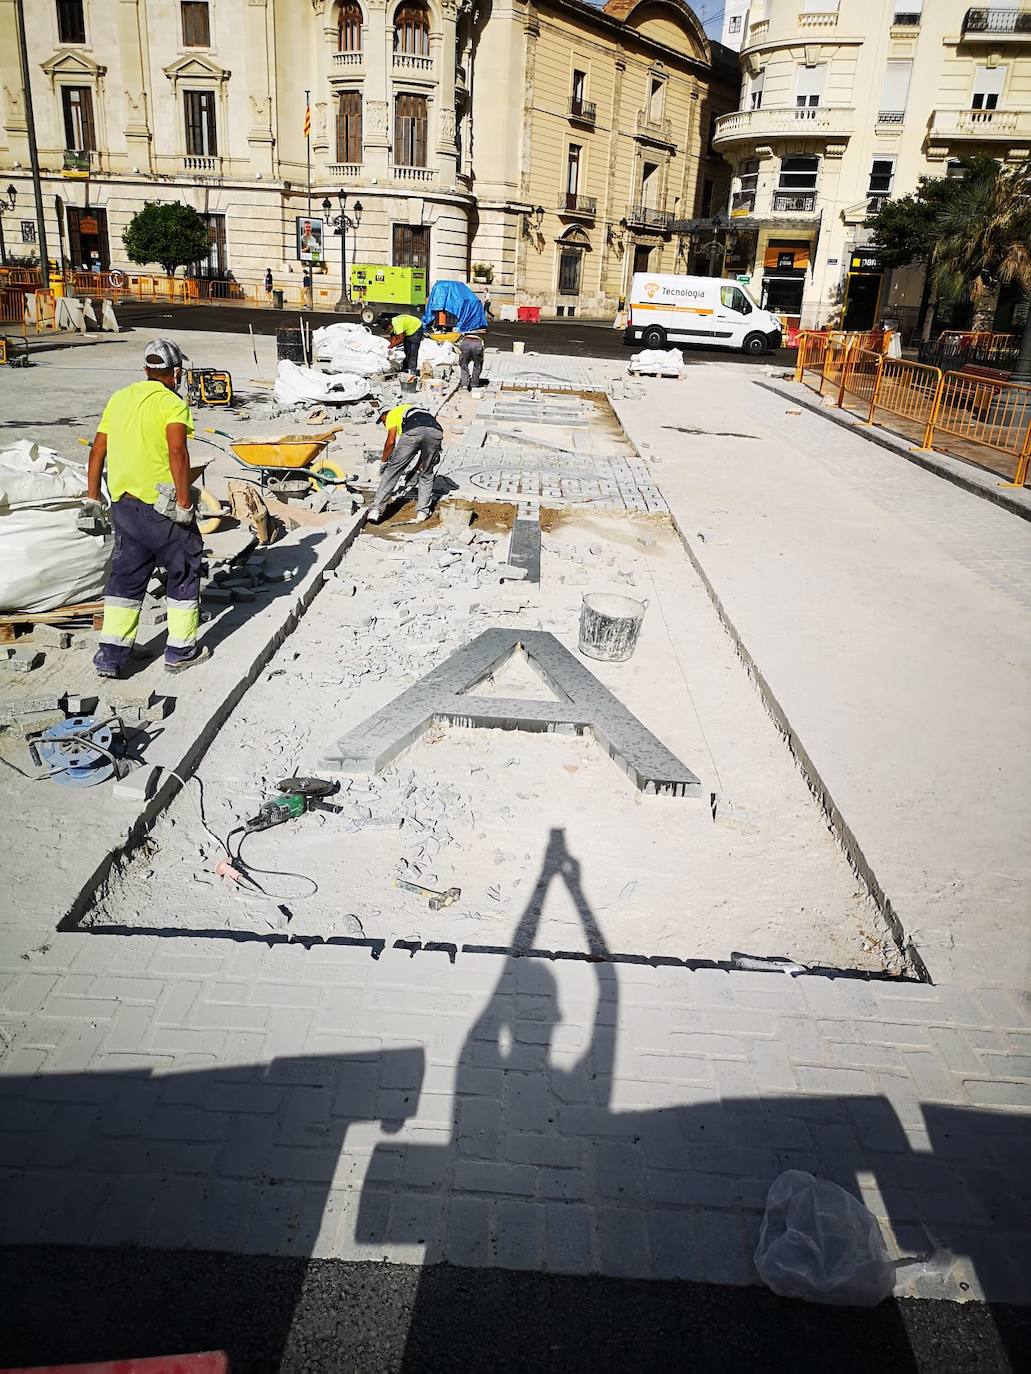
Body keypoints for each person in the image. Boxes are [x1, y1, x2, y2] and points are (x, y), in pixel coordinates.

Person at [85, 338, 209, 679]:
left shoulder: (119, 399)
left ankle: (111, 655)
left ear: (146, 370)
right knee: (184, 569)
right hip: (163, 507)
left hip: (124, 505)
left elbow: (97, 451)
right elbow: (177, 454)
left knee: (126, 576)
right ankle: (181, 650)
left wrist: (93, 496)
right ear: (177, 372)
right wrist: (185, 502)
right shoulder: (173, 404)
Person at [368, 401, 443, 524]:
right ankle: (422, 512)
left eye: (382, 421)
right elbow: (424, 448)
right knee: (427, 473)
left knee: (392, 471)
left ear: (384, 415)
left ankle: (375, 510)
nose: (384, 424)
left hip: (413, 431)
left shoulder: (392, 414)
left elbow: (391, 441)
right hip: (436, 431)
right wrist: (415, 470)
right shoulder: (414, 411)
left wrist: (384, 461)